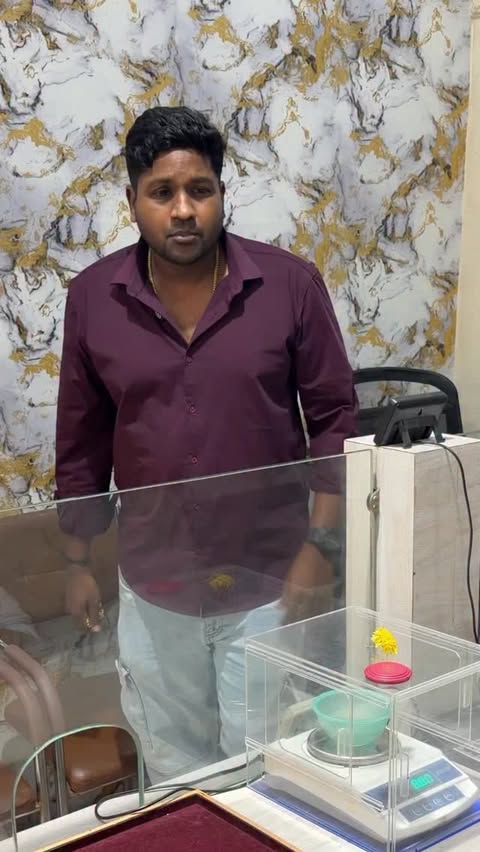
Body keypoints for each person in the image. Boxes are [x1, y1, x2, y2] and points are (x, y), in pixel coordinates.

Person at [55, 106, 357, 783]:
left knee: (266, 767)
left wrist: (322, 547)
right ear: (132, 201)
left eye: (200, 189)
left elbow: (335, 420)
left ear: (222, 192)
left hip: (269, 578)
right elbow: (81, 438)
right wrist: (76, 561)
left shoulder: (288, 285)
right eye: (162, 192)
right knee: (176, 769)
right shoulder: (94, 298)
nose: (184, 210)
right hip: (155, 581)